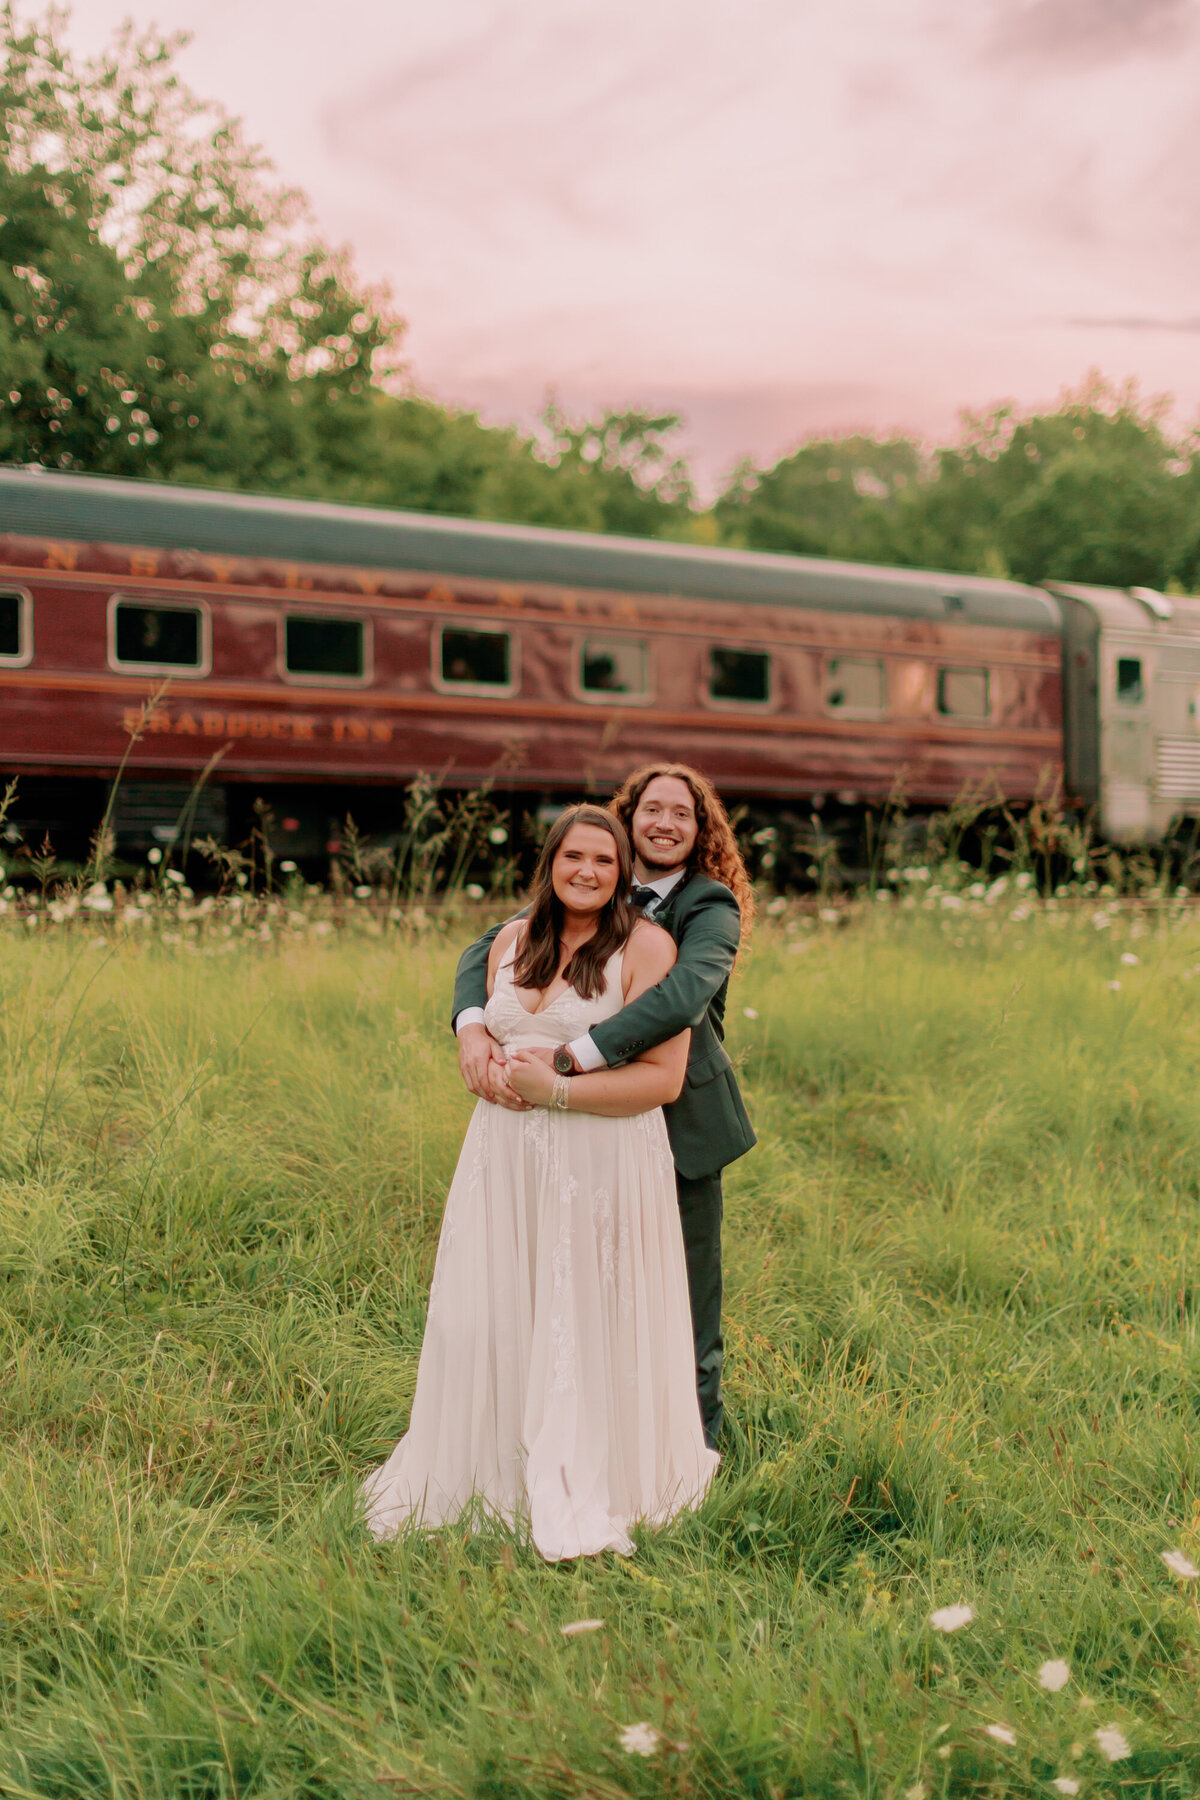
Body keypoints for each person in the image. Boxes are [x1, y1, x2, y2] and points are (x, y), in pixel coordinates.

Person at [361, 804, 718, 1561]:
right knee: (492, 1309)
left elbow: (662, 1080)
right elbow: (492, 1030)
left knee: (584, 1311)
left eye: (604, 861)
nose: (587, 872)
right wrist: (478, 1053)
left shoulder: (647, 946)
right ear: (549, 863)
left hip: (600, 1159)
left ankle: (595, 1472)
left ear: (622, 874)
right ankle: (488, 1464)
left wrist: (556, 1090)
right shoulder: (511, 940)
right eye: (573, 857)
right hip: (503, 1157)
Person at [453, 763, 756, 1449]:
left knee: (682, 1292)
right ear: (629, 819)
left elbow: (681, 996)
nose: (664, 824)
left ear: (701, 829)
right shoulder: (589, 885)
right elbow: (487, 946)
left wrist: (569, 1060)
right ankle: (581, 1431)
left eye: (682, 813)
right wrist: (471, 1025)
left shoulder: (708, 904)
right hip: (575, 1133)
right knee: (584, 1285)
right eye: (652, 809)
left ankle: (694, 1448)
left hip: (677, 1117)